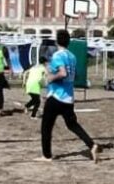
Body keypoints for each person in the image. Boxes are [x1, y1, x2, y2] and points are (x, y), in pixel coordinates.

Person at [40, 31, 99, 163]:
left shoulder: (57, 55)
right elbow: (73, 74)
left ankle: (46, 155)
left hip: (56, 96)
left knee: (46, 128)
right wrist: (50, 69)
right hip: (68, 98)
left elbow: (62, 73)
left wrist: (50, 78)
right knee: (72, 125)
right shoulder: (72, 57)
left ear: (56, 41)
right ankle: (91, 145)